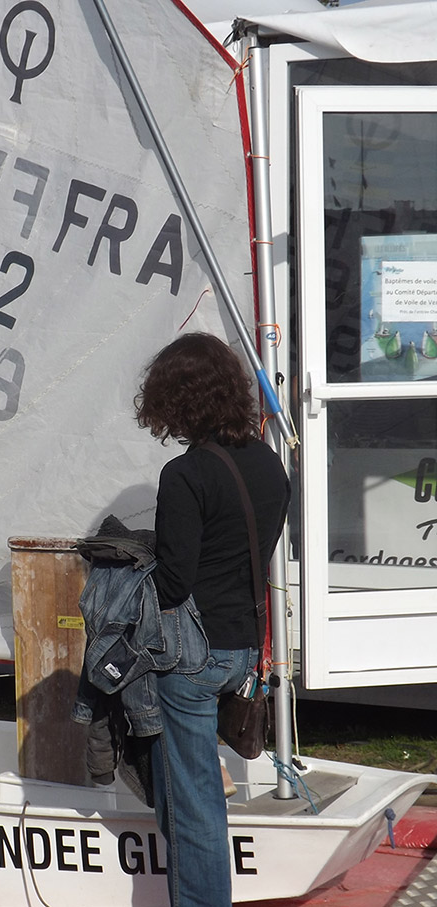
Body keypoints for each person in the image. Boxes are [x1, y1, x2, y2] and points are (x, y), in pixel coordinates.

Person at [134, 332, 289, 907]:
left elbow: (174, 583)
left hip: (193, 656)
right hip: (243, 651)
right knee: (185, 788)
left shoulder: (185, 475)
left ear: (175, 401)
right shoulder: (271, 467)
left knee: (196, 801)